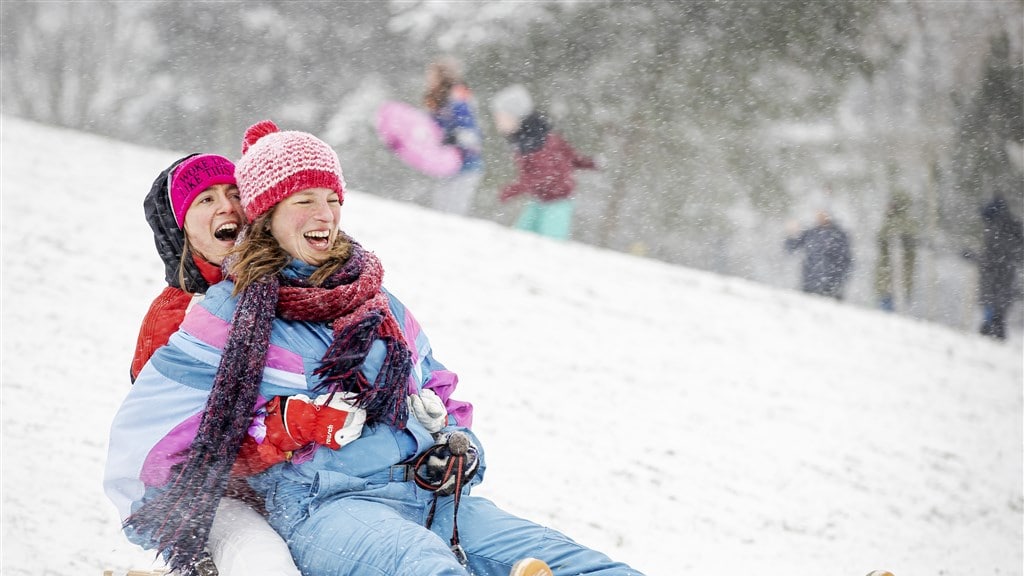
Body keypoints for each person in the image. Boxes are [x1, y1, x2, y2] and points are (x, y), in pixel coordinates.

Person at [105, 120, 644, 576]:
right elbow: (152, 447)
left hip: (429, 496)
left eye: (332, 199)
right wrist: (277, 431)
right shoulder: (227, 314)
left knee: (586, 565)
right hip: (327, 507)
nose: (324, 214)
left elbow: (433, 385)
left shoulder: (374, 300)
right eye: (304, 200)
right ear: (265, 215)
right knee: (427, 568)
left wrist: (457, 441)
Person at [129, 153, 301, 575]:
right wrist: (280, 432)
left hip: (302, 485)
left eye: (235, 193)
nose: (226, 206)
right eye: (204, 200)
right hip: (216, 499)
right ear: (179, 228)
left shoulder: (292, 288)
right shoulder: (176, 319)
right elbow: (173, 449)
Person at [491, 84, 597, 241]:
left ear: (517, 117)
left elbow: (543, 176)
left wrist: (513, 189)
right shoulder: (531, 137)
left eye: (501, 117)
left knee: (551, 245)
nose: (497, 123)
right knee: (519, 238)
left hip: (557, 203)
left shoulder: (536, 143)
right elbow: (570, 157)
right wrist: (589, 163)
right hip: (540, 200)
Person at [423, 56, 485, 216]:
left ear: (443, 77)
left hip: (466, 164)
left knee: (454, 211)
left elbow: (472, 134)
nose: (429, 79)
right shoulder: (436, 99)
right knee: (440, 207)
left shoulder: (458, 99)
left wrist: (453, 137)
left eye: (432, 76)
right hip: (446, 163)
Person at [969, 195, 1023, 340]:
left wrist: (973, 256)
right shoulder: (1012, 226)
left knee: (993, 318)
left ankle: (989, 337)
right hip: (1006, 281)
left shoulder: (996, 230)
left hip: (994, 282)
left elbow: (990, 258)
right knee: (999, 315)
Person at [783, 209, 853, 300]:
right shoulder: (811, 232)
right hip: (810, 283)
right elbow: (791, 247)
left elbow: (846, 260)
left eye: (824, 213)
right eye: (819, 214)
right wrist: (791, 234)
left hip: (831, 285)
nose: (821, 217)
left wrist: (839, 280)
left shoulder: (839, 235)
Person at [873, 189, 918, 312]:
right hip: (887, 279)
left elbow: (908, 242)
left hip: (897, 281)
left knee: (894, 313)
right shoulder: (890, 221)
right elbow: (881, 240)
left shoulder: (907, 223)